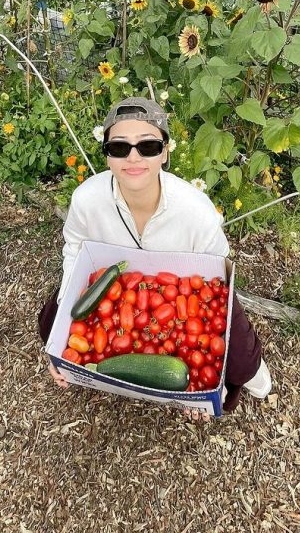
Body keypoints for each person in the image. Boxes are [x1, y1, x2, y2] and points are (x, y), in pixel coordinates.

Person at [38, 97, 272, 414]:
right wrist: (64, 323)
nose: (133, 157)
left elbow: (218, 272)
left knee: (242, 360)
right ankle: (101, 372)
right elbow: (75, 245)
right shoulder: (87, 199)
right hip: (118, 291)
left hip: (186, 297)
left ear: (164, 151)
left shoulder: (195, 210)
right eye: (119, 147)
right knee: (50, 319)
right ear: (107, 155)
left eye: (147, 146)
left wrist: (198, 386)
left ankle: (254, 380)